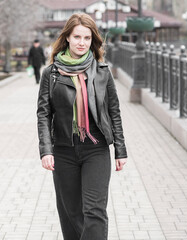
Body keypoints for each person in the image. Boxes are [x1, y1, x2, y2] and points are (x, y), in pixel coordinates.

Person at [37, 13, 127, 240]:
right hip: (63, 150)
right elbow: (44, 114)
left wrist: (120, 150)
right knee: (71, 213)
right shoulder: (51, 74)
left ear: (92, 40)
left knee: (94, 211)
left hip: (95, 148)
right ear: (67, 37)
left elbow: (113, 111)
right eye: (77, 36)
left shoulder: (102, 71)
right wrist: (46, 150)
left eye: (87, 38)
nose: (81, 42)